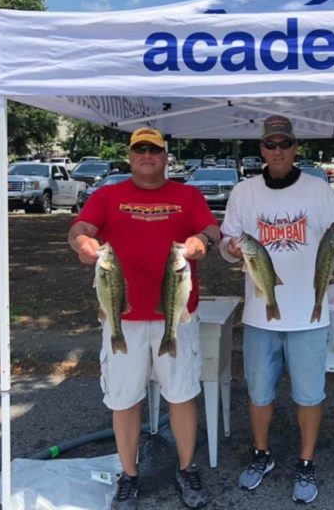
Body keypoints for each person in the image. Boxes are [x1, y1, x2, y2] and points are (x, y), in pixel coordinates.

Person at [68, 127, 220, 510]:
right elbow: (81, 228)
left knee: (182, 394)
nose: (147, 156)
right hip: (122, 316)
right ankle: (129, 475)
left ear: (166, 156)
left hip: (177, 316)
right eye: (140, 150)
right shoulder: (107, 195)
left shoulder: (188, 195)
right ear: (130, 157)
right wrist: (82, 242)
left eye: (154, 150)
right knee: (124, 399)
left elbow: (210, 228)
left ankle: (187, 468)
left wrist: (203, 242)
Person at [220, 115, 334, 504]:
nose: (278, 150)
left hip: (310, 315)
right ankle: (261, 453)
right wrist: (231, 249)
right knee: (259, 392)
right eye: (271, 144)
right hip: (259, 315)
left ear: (295, 146)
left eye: (285, 143)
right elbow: (225, 245)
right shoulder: (244, 192)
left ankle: (305, 460)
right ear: (262, 149)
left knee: (309, 395)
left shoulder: (318, 190)